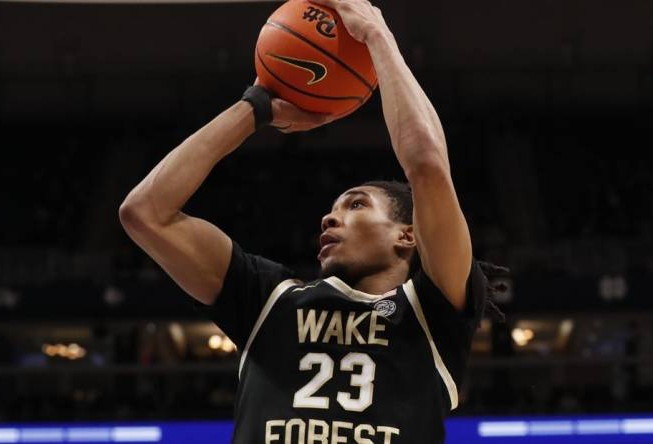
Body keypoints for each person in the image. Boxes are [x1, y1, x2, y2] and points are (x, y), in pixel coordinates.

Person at [119, 0, 504, 442]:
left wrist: (377, 36)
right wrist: (255, 107)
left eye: (355, 205)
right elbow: (146, 213)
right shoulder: (270, 301)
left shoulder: (433, 313)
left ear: (408, 235)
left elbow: (428, 165)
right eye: (335, 207)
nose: (329, 216)